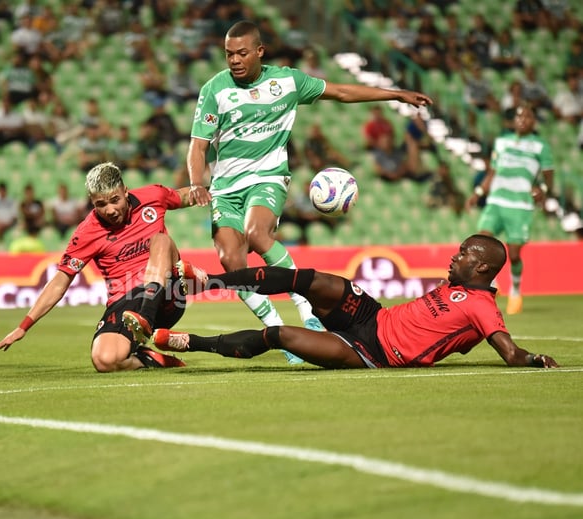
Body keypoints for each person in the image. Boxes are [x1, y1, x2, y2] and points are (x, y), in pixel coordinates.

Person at [185, 20, 433, 363]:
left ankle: (306, 307)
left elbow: (343, 92)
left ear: (260, 51)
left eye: (242, 53)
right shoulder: (215, 89)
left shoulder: (288, 82)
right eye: (229, 54)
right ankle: (275, 327)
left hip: (268, 177)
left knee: (257, 234)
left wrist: (395, 94)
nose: (234, 60)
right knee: (230, 261)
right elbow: (198, 147)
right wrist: (198, 183)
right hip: (226, 188)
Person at [151, 235, 558, 370]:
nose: (455, 255)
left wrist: (533, 359)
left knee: (278, 335)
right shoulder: (457, 287)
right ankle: (206, 280)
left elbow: (508, 351)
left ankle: (192, 342)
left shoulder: (483, 307)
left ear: (484, 266)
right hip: (373, 316)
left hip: (371, 351)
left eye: (465, 253)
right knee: (310, 280)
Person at [0, 162, 196, 372]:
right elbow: (60, 281)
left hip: (167, 294)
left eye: (115, 200)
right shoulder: (87, 233)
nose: (110, 210)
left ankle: (147, 315)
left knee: (161, 240)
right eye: (101, 204)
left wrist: (224, 190)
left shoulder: (153, 196)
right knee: (104, 360)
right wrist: (23, 326)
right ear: (92, 202)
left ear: (125, 191)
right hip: (125, 301)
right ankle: (150, 359)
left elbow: (188, 195)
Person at [465, 105, 554, 315]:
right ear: (514, 121)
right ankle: (490, 286)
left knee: (513, 255)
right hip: (496, 202)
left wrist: (542, 189)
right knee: (481, 240)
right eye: (520, 116)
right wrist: (478, 192)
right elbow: (492, 173)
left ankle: (515, 289)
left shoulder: (541, 146)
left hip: (520, 206)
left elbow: (549, 177)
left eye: (528, 116)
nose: (523, 119)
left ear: (534, 122)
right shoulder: (502, 142)